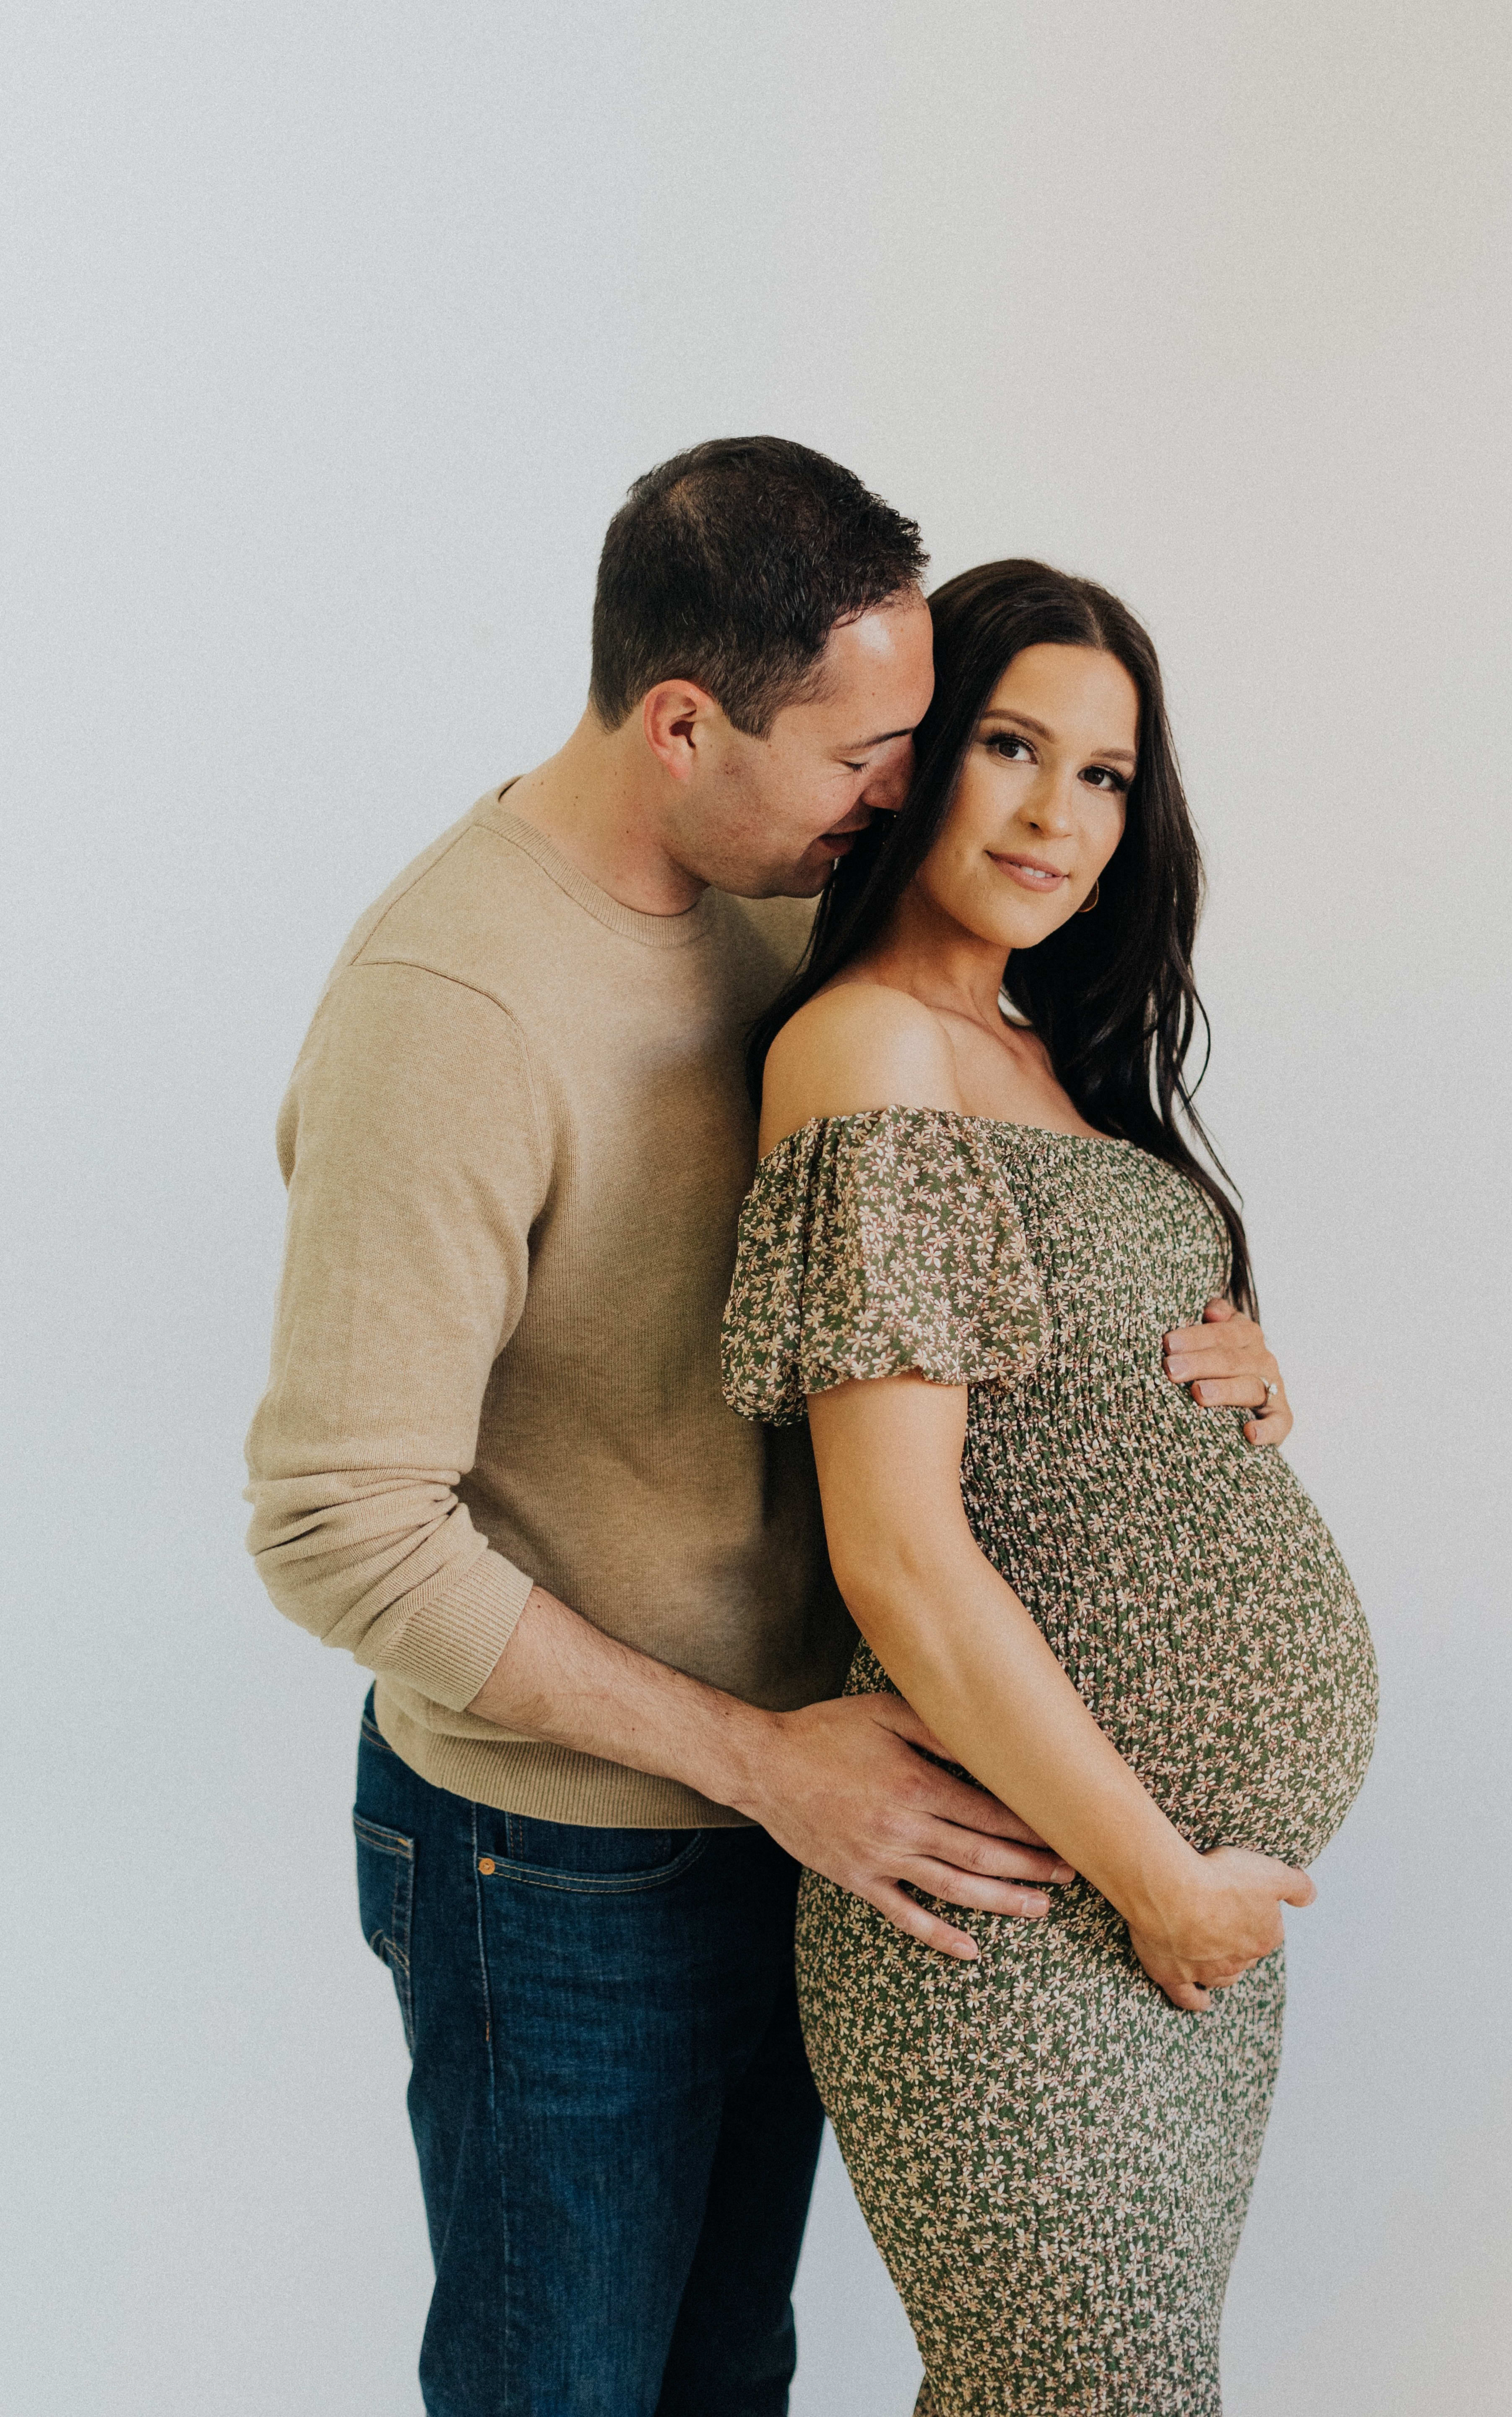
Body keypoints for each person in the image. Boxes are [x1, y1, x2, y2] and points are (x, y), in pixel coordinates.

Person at [245, 443, 1304, 2416]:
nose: (905, 796)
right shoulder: (451, 1008)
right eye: (868, 753)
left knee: (728, 2382)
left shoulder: (774, 902)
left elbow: (920, 1300)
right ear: (680, 724)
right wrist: (759, 1761)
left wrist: (1196, 1364)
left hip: (816, 1816)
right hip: (559, 1865)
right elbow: (337, 1528)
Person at [723, 558, 1377, 2415]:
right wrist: (1159, 1878)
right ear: (920, 761)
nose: (1057, 813)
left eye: (1104, 775)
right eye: (1012, 745)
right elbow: (903, 1559)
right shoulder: (867, 1047)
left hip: (1172, 1922)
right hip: (1035, 1906)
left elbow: (1073, 1407)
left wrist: (1233, 1372)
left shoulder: (1050, 1059)